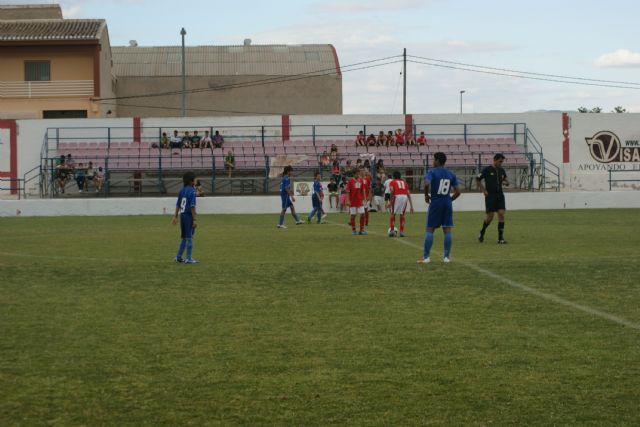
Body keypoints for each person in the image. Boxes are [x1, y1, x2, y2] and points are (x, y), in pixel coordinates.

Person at [418, 152, 461, 264]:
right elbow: (458, 192)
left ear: (437, 160)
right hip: (447, 203)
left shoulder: (432, 172)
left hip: (436, 203)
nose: (432, 161)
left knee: (430, 229)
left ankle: (426, 257)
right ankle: (446, 257)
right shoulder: (451, 174)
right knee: (447, 230)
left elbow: (427, 184)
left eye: (433, 159)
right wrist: (450, 200)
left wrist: (426, 196)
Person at [476, 153, 509, 244]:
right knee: (490, 217)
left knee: (501, 214)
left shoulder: (501, 170)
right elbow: (477, 179)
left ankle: (500, 238)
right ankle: (482, 231)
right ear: (495, 160)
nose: (501, 163)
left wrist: (506, 182)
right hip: (490, 196)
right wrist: (483, 190)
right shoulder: (487, 169)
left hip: (500, 195)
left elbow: (505, 179)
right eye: (500, 161)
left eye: (502, 162)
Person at [171, 171, 198, 264]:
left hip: (182, 216)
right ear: (191, 181)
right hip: (188, 216)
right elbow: (192, 206)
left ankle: (178, 257)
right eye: (195, 179)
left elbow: (178, 204)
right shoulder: (192, 191)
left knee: (183, 237)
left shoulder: (182, 191)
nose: (196, 180)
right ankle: (189, 258)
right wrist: (194, 219)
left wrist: (175, 216)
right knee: (189, 237)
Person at [388, 170, 414, 237]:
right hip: (404, 197)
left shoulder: (392, 182)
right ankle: (402, 232)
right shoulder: (404, 182)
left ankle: (392, 231)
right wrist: (411, 206)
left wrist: (390, 202)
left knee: (393, 214)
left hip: (397, 196)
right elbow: (408, 194)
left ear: (393, 176)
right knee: (402, 215)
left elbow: (392, 192)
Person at [345, 167, 367, 235]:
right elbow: (348, 191)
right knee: (353, 216)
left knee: (362, 214)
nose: (359, 174)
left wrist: (365, 198)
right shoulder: (350, 181)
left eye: (359, 173)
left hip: (360, 200)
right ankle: (354, 230)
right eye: (357, 173)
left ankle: (361, 230)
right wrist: (348, 200)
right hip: (353, 201)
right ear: (354, 173)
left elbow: (363, 190)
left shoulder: (361, 180)